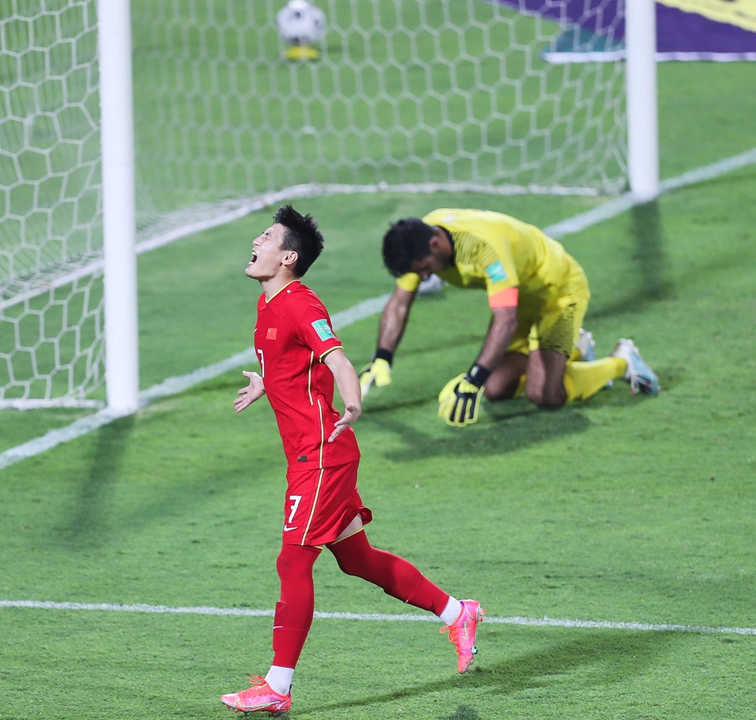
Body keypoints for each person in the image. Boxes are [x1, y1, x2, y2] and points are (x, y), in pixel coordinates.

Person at [220, 205, 484, 716]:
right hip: (309, 455)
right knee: (356, 558)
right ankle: (458, 612)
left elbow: (337, 357)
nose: (257, 240)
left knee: (293, 559)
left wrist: (354, 400)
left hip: (322, 456)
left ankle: (277, 687)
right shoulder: (268, 303)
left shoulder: (301, 304)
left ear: (288, 258)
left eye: (268, 236)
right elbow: (288, 363)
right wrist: (264, 384)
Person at [359, 208, 660, 427]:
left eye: (424, 268)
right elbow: (399, 304)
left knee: (544, 394)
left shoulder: (483, 249)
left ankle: (621, 361)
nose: (424, 277)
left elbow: (506, 320)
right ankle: (574, 350)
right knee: (497, 389)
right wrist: (382, 357)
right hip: (521, 297)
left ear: (434, 244)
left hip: (558, 292)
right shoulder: (421, 240)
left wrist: (472, 379)